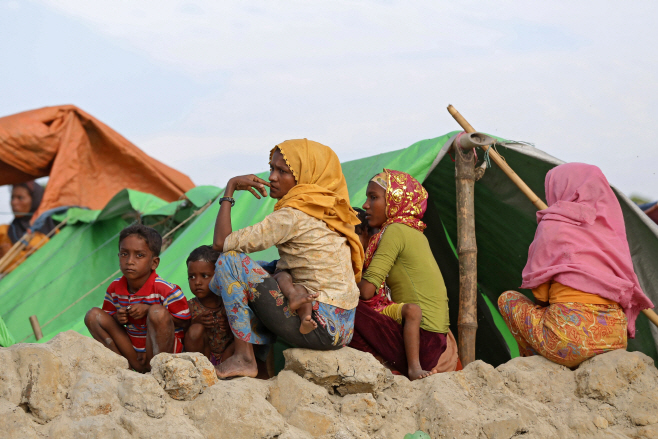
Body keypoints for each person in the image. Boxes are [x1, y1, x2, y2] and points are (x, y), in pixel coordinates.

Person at [210, 138, 363, 379]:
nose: (272, 177)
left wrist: (229, 189)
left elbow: (221, 243)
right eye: (272, 168)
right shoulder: (329, 210)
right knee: (264, 269)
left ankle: (244, 357)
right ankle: (259, 362)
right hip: (342, 328)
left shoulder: (291, 215)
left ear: (303, 178)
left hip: (317, 323)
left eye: (282, 171)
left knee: (227, 262)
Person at [498, 163, 654, 368]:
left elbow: (541, 295)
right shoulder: (610, 229)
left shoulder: (554, 225)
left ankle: (533, 364)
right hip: (615, 338)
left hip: (570, 339)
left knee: (508, 299)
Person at [349, 169, 454, 380]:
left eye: (374, 197)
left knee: (343, 304)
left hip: (422, 343)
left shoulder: (395, 231)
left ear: (395, 201)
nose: (367, 205)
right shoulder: (414, 231)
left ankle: (382, 364)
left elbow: (367, 292)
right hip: (434, 342)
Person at [84, 224, 191, 372]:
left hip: (161, 353)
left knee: (157, 312)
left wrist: (149, 311)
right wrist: (118, 317)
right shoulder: (114, 288)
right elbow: (109, 320)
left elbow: (185, 322)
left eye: (139, 255)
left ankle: (159, 371)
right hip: (132, 353)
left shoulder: (166, 290)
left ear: (154, 263)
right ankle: (124, 370)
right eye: (124, 254)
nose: (129, 261)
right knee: (93, 316)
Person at [184, 245, 235, 365]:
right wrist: (195, 321)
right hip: (204, 359)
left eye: (204, 276)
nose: (197, 282)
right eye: (191, 277)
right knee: (195, 330)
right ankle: (201, 370)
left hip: (229, 357)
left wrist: (229, 324)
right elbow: (183, 335)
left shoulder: (229, 302)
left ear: (219, 275)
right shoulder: (189, 306)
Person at [0, 181, 56, 272]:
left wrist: (11, 257)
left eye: (20, 198)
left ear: (35, 200)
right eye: (12, 197)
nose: (14, 202)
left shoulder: (52, 234)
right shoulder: (3, 232)